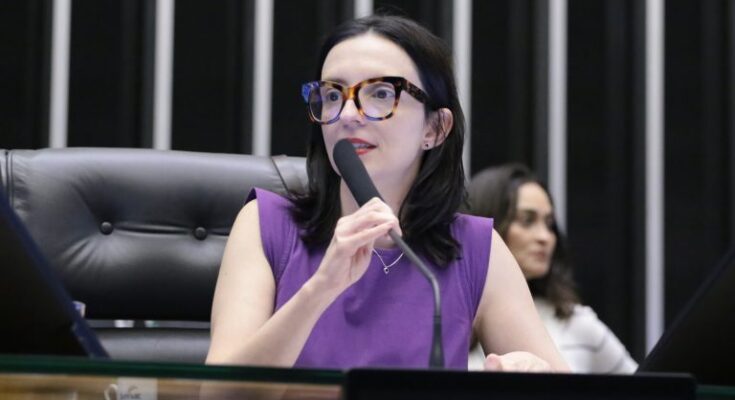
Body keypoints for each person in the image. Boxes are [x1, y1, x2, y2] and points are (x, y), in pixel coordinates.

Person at [205, 14, 568, 372]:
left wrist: (530, 373)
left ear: (435, 128)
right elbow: (218, 394)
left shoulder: (475, 248)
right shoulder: (266, 225)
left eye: (380, 93)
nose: (348, 114)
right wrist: (320, 290)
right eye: (332, 94)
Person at [465, 163, 638, 373]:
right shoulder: (449, 314)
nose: (545, 237)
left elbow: (641, 384)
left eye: (549, 224)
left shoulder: (575, 321)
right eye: (527, 221)